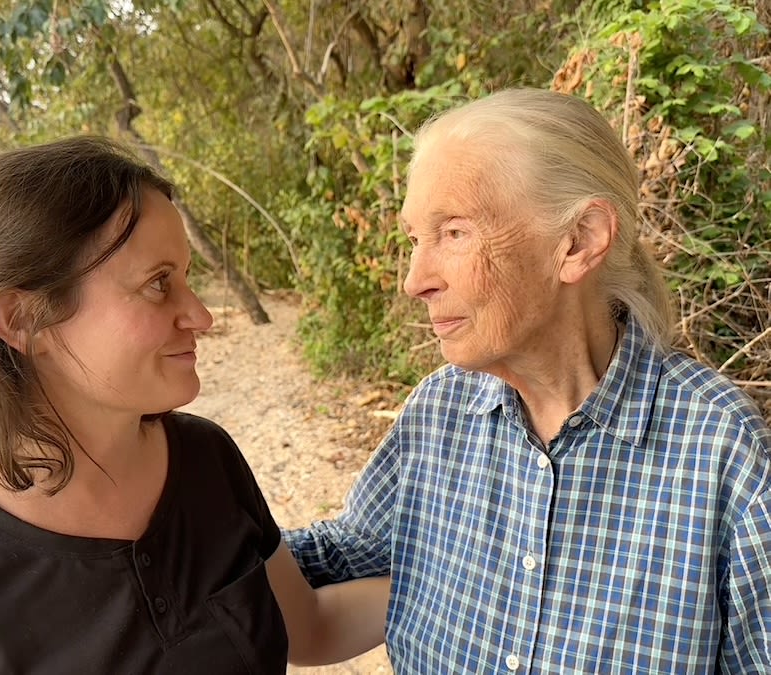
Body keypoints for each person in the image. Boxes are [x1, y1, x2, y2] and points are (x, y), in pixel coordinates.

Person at [284, 88, 771, 673]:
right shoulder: (438, 411)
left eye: (455, 232)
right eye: (416, 237)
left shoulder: (720, 448)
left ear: (578, 241)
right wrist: (186, 508)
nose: (415, 280)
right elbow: (343, 554)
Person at [0, 136, 387, 673]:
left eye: (187, 277)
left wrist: (464, 588)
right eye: (158, 284)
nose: (202, 316)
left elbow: (308, 627)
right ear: (23, 320)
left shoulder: (206, 458)